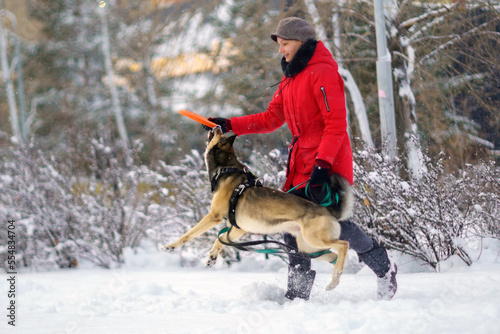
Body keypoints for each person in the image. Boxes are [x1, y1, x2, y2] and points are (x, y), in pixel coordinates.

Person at [206, 17, 397, 301]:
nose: (280, 50)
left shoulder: (323, 73)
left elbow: (335, 125)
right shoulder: (290, 77)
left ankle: (384, 269)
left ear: (301, 42)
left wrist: (322, 166)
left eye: (285, 44)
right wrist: (229, 124)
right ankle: (298, 295)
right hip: (300, 163)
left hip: (327, 161)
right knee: (291, 225)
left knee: (330, 223)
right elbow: (271, 118)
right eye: (279, 44)